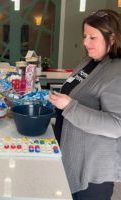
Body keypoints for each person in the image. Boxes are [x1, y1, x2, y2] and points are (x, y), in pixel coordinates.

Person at [49, 9, 121, 200]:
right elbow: (74, 94)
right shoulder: (90, 61)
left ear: (112, 38)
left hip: (92, 171)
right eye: (84, 36)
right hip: (72, 156)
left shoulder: (117, 72)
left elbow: (116, 125)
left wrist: (70, 106)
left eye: (92, 37)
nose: (85, 43)